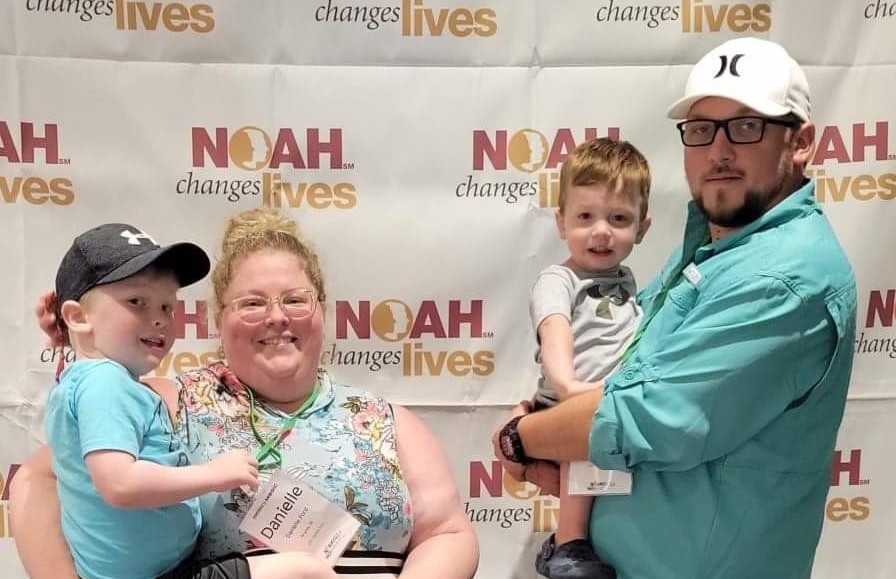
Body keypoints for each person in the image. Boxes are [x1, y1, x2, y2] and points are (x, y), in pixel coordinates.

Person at [493, 37, 857, 579]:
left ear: (800, 142)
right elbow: (623, 360)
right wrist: (558, 433)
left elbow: (647, 417)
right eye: (702, 129)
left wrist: (521, 437)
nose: (719, 150)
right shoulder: (719, 247)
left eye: (747, 126)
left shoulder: (782, 275)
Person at [12, 208, 479, 579]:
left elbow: (449, 533)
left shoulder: (386, 420)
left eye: (295, 299)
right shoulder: (167, 403)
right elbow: (39, 481)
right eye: (253, 303)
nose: (277, 317)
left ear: (322, 312)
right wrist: (78, 342)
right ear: (220, 319)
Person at [42, 222, 337, 579]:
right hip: (161, 575)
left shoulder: (95, 381)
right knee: (302, 571)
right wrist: (211, 475)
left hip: (167, 568)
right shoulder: (104, 382)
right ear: (77, 315)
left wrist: (72, 337)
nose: (158, 318)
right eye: (137, 301)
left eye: (168, 307)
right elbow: (119, 484)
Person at [527, 138, 650, 579]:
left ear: (643, 227)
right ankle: (569, 545)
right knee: (583, 452)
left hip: (610, 402)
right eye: (585, 217)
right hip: (569, 403)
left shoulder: (628, 282)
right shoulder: (557, 279)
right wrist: (567, 386)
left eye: (619, 219)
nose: (601, 231)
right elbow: (554, 330)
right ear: (561, 223)